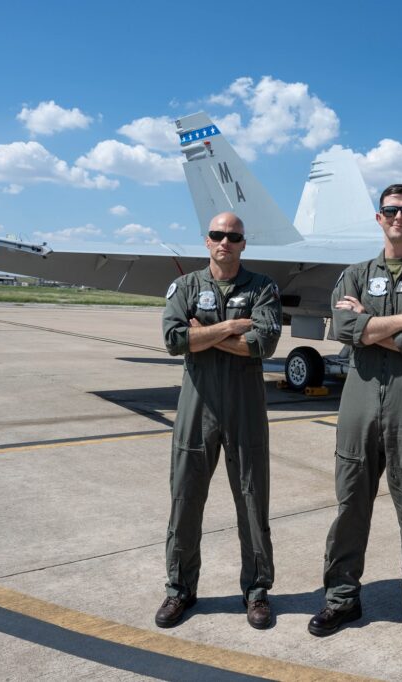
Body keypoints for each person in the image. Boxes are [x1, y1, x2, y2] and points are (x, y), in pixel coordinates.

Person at [308, 184, 402, 660]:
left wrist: (370, 325)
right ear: (379, 217)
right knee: (350, 503)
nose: (398, 217)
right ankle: (341, 600)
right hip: (359, 399)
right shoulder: (354, 274)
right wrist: (400, 321)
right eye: (391, 210)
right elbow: (343, 329)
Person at [157, 211, 282, 630]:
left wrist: (205, 335)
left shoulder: (263, 288)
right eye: (217, 235)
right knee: (186, 499)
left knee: (251, 500)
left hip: (245, 408)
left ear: (243, 243)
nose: (224, 241)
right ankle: (180, 590)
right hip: (197, 406)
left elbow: (261, 344)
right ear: (206, 241)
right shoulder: (187, 286)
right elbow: (175, 339)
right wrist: (230, 328)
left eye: (233, 236)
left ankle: (256, 591)